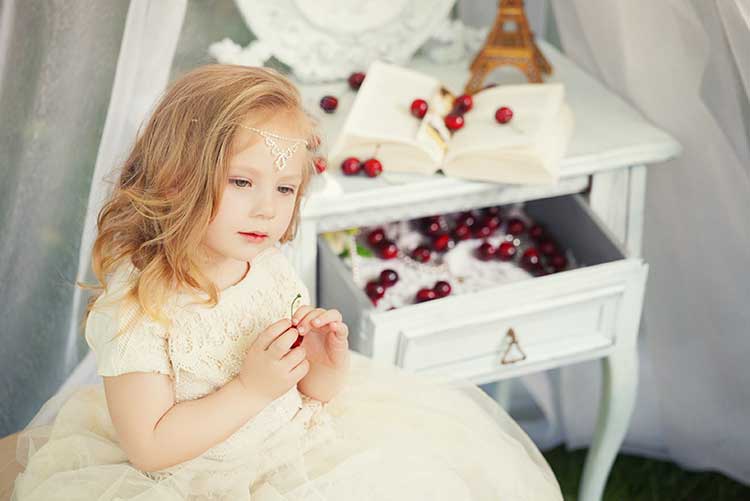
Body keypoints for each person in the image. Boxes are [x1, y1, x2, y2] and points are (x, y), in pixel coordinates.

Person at [10, 64, 562, 500]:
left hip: (298, 450)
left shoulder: (267, 263)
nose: (265, 210)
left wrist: (323, 363)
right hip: (194, 481)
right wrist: (250, 388)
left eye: (283, 189)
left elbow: (305, 395)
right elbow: (150, 448)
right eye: (243, 181)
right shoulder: (140, 302)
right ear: (178, 176)